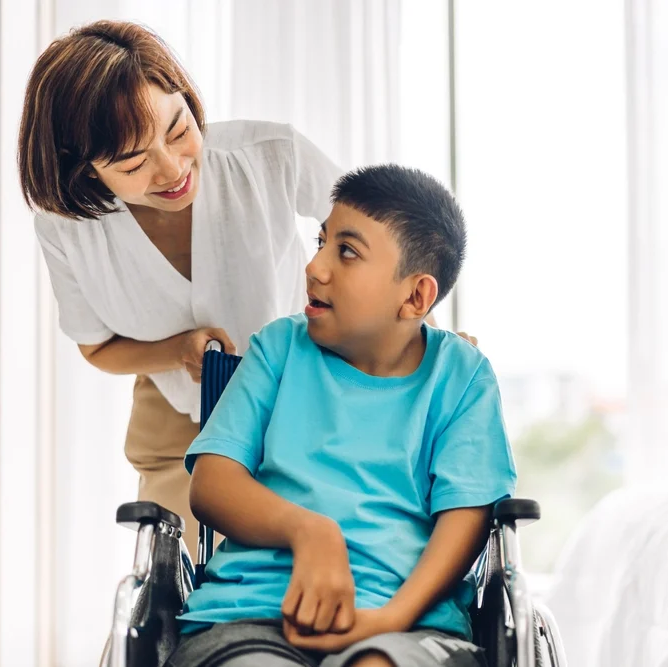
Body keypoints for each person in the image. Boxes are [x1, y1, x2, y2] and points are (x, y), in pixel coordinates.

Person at [18, 20, 474, 557]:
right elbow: (97, 347)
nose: (172, 169)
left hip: (310, 399)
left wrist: (431, 353)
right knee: (191, 597)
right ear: (85, 173)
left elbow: (384, 243)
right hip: (180, 424)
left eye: (177, 128)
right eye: (133, 161)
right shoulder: (66, 225)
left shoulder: (269, 154)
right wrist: (176, 350)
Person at [169, 165, 516, 667]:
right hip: (252, 612)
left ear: (415, 296)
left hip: (408, 624)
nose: (315, 267)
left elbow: (467, 515)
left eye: (347, 252)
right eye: (322, 241)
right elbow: (211, 484)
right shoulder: (278, 349)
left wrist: (392, 617)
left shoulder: (461, 377)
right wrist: (310, 531)